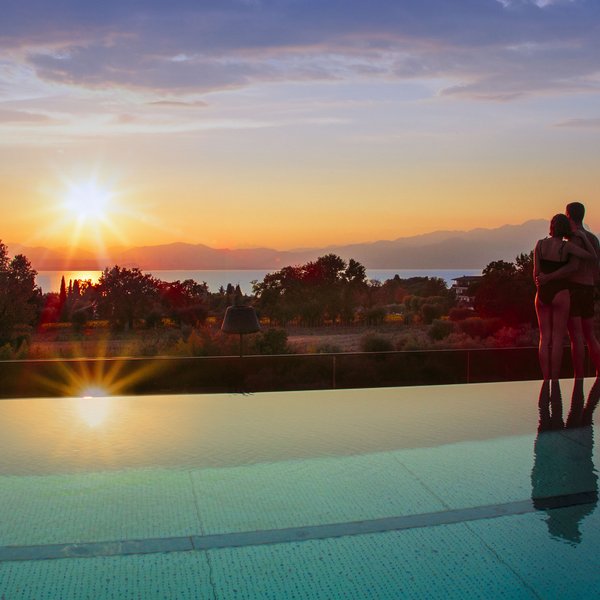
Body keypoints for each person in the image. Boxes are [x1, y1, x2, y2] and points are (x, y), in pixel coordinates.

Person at [538, 203, 600, 381]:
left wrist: (549, 278)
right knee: (591, 336)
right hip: (589, 289)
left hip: (574, 289)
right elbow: (595, 265)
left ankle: (578, 377)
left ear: (568, 216)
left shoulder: (573, 239)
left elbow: (572, 267)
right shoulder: (593, 239)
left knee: (576, 337)